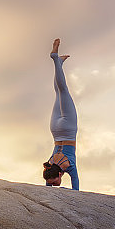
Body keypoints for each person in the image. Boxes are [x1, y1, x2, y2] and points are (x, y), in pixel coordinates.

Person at [43, 38, 79, 190]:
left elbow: (76, 187)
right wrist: (50, 185)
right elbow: (48, 183)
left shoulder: (68, 166)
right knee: (58, 92)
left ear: (59, 175)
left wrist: (64, 189)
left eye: (54, 182)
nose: (54, 184)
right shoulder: (50, 164)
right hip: (55, 130)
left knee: (63, 91)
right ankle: (59, 63)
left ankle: (55, 59)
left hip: (68, 130)